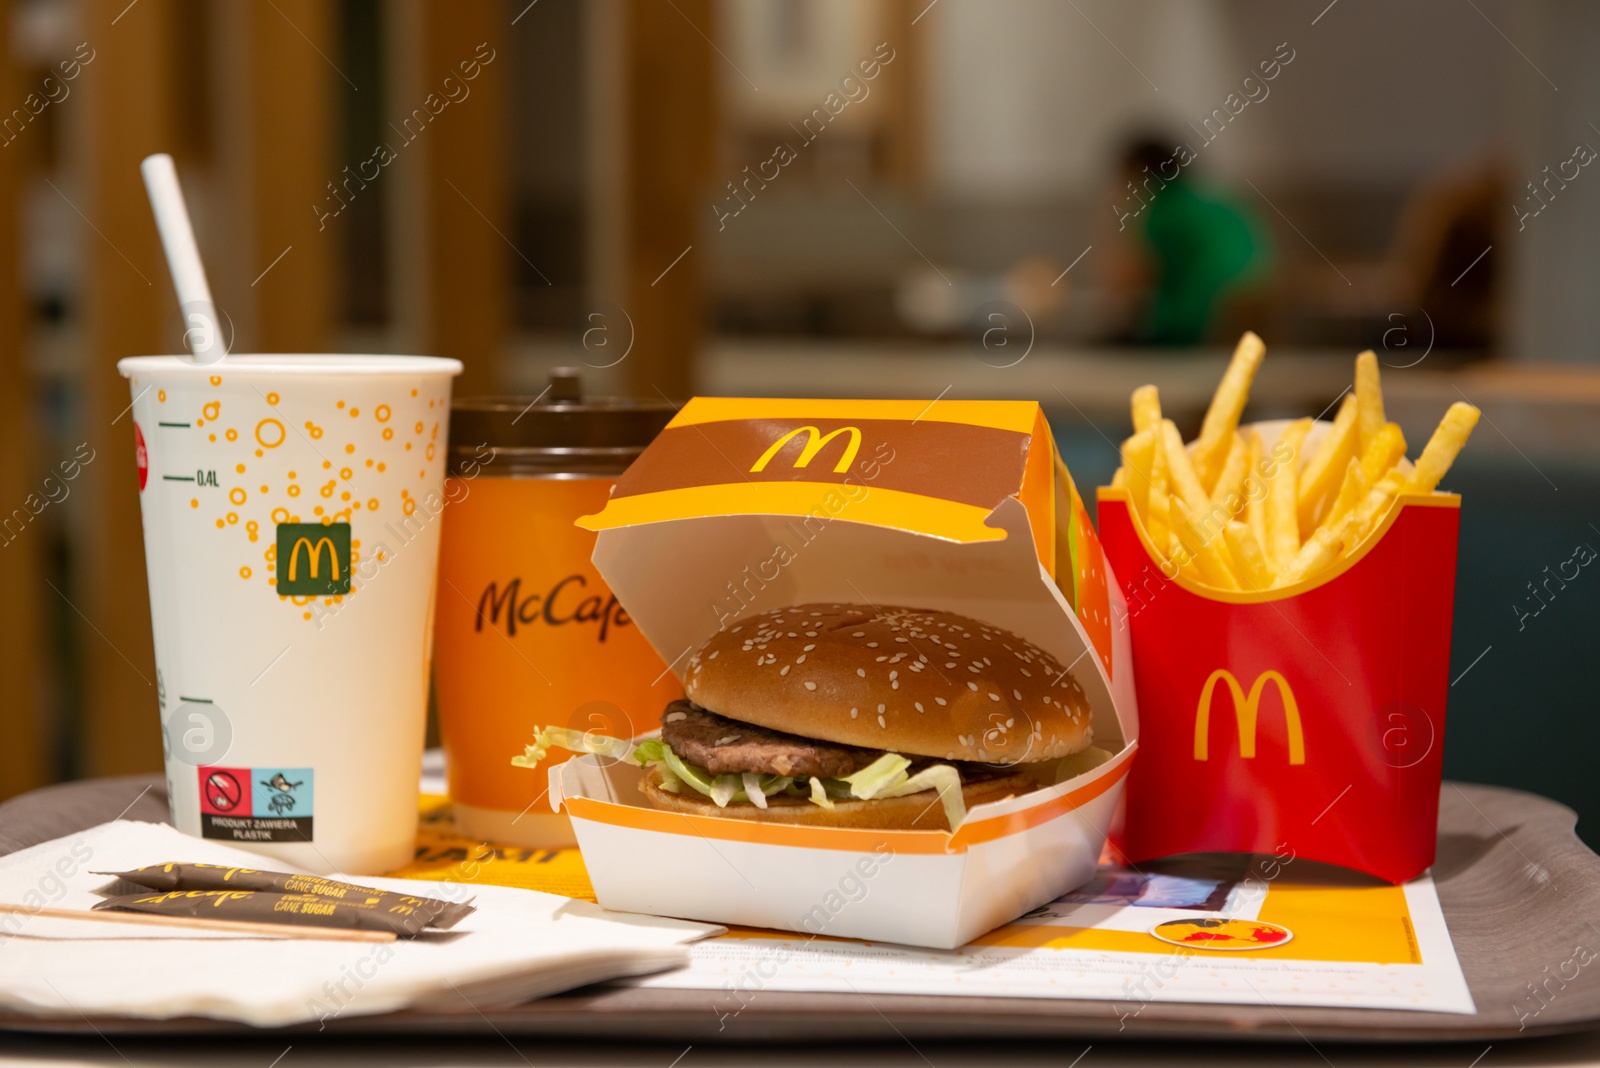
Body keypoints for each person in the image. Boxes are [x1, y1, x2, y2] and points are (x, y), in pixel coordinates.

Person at [1107, 136, 1275, 346]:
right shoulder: (1213, 199)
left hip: (1204, 317)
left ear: (1137, 173)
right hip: (1263, 302)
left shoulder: (1161, 210)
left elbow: (1132, 281)